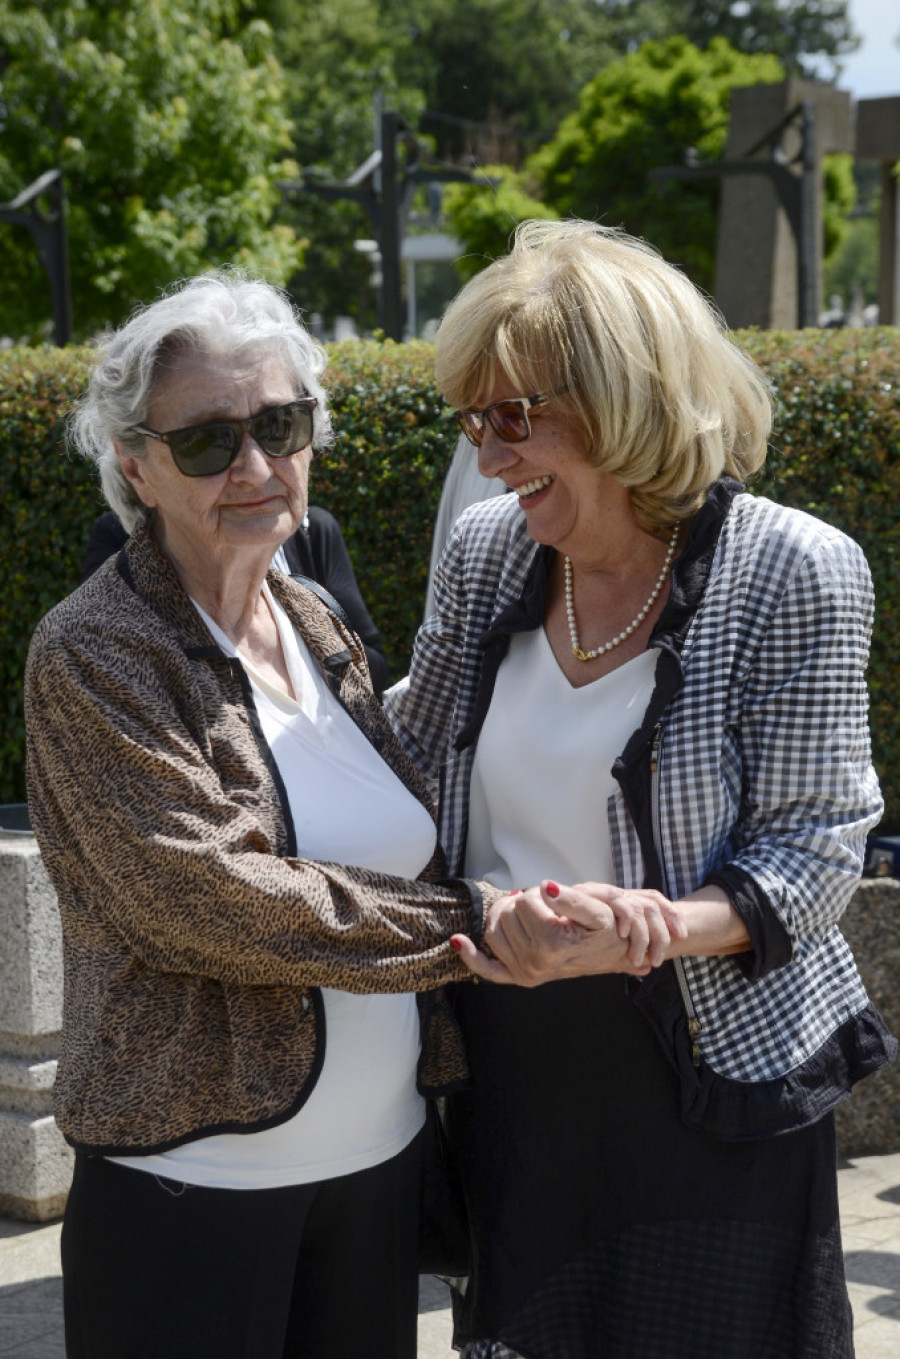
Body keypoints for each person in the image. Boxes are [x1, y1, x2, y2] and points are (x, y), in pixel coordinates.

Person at [384, 219, 896, 1359]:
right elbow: (407, 752)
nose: (490, 457)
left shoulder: (795, 569)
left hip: (707, 1076)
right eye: (474, 420)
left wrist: (649, 929)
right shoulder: (488, 551)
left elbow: (816, 847)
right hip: (513, 1070)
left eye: (514, 418)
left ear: (624, 401)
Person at [23, 271, 523, 1359]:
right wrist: (473, 922)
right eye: (207, 441)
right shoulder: (96, 651)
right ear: (137, 465)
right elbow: (206, 899)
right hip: (193, 1184)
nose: (254, 467)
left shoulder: (311, 613)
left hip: (378, 1165)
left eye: (280, 426)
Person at [80, 505, 390, 692]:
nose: (254, 468)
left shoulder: (313, 531)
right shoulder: (118, 537)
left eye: (276, 434)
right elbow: (102, 663)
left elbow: (371, 664)